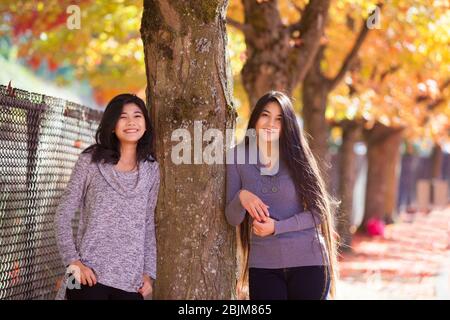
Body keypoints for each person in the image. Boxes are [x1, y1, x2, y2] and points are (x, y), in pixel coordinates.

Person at [225, 91, 339, 300]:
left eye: (279, 119)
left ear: (287, 125)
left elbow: (318, 213)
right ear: (256, 118)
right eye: (265, 115)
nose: (270, 124)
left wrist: (276, 228)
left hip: (309, 262)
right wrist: (242, 196)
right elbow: (232, 218)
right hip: (263, 265)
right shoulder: (236, 156)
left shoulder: (297, 156)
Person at [54, 93, 160, 300]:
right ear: (112, 125)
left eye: (137, 116)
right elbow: (63, 214)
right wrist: (73, 262)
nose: (131, 122)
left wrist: (148, 274)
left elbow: (147, 224)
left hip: (131, 283)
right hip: (87, 276)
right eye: (123, 117)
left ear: (145, 124)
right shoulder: (90, 161)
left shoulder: (151, 169)